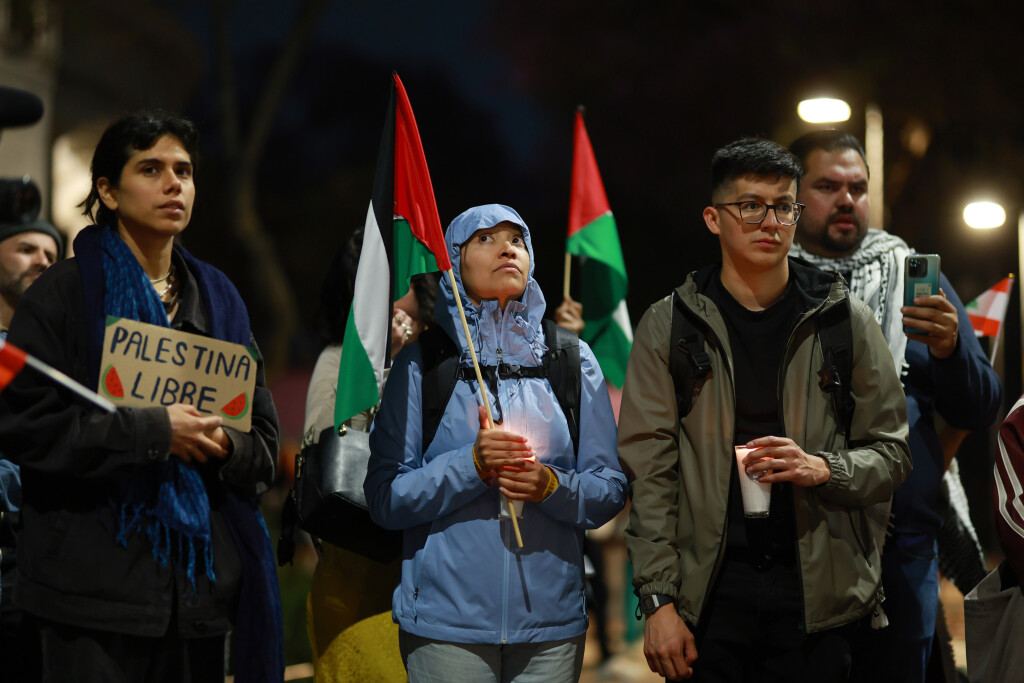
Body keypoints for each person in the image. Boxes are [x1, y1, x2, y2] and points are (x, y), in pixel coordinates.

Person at [0, 110, 282, 682]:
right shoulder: (63, 296)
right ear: (107, 189)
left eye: (184, 170)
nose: (173, 183)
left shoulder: (221, 301)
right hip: (88, 600)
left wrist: (220, 443)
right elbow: (23, 428)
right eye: (150, 168)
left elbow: (265, 444)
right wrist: (154, 433)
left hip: (197, 601)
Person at [618, 138, 911, 681]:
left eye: (783, 207)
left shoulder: (843, 319)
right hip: (709, 596)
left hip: (818, 598)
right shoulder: (671, 324)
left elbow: (893, 454)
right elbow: (650, 474)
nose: (768, 221)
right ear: (714, 218)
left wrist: (824, 467)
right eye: (749, 205)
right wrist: (658, 600)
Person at [364, 204, 627, 682]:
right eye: (484, 239)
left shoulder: (572, 358)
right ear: (455, 262)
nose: (507, 247)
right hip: (445, 631)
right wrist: (471, 466)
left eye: (517, 239)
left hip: (552, 631)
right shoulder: (423, 365)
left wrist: (550, 485)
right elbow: (385, 498)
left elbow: (609, 487)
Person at [788, 130, 1003, 683]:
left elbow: (980, 408)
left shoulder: (908, 272)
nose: (846, 200)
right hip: (795, 547)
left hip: (901, 546)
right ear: (793, 193)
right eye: (828, 186)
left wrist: (952, 349)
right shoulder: (767, 281)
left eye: (857, 188)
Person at [302, 228, 438, 682]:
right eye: (368, 285)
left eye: (394, 282)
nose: (387, 300)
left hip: (435, 583)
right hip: (359, 579)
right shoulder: (337, 361)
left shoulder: (448, 366)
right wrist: (380, 370)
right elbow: (328, 450)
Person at [0, 217, 61, 681]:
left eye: (51, 254)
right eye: (26, 249)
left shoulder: (59, 355)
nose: (43, 260)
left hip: (46, 572)